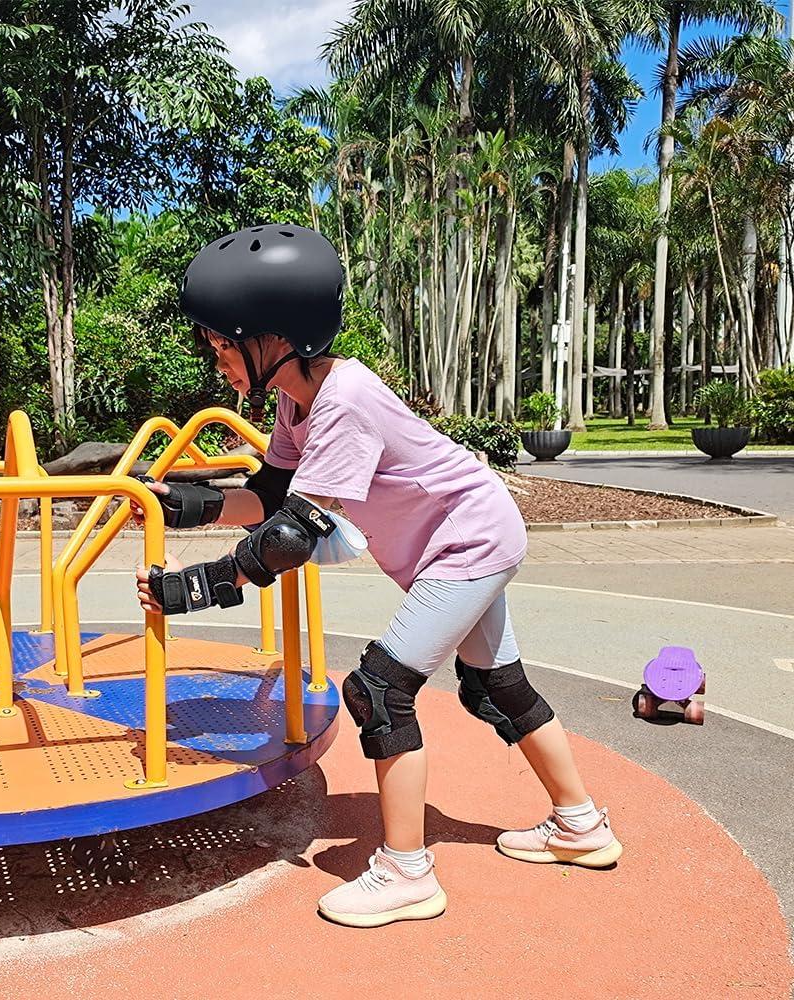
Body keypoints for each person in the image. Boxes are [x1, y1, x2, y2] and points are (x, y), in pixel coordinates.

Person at [134, 222, 623, 929]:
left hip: (467, 543)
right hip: (461, 539)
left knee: (379, 691)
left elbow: (293, 535)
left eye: (223, 343)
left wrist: (199, 587)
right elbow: (271, 495)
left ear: (277, 337)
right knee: (498, 686)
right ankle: (581, 825)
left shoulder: (345, 401)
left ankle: (405, 874)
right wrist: (191, 506)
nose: (218, 360)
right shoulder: (296, 396)